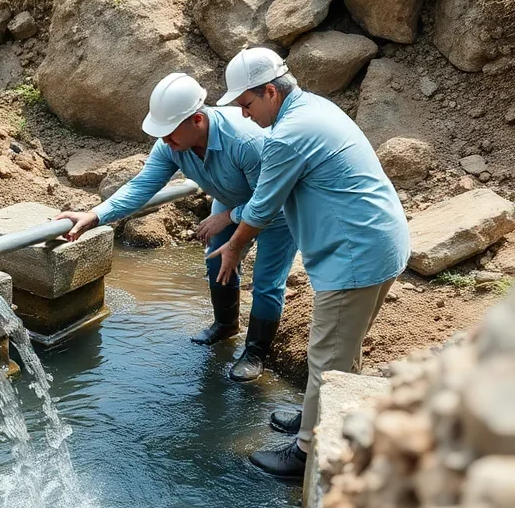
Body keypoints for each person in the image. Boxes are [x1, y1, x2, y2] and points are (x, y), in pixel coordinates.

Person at [211, 47, 410, 479]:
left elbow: (262, 208)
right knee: (342, 349)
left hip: (354, 257)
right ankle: (317, 416)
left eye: (246, 104)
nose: (244, 116)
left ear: (269, 91)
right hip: (379, 241)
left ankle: (305, 454)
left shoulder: (290, 134)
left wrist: (234, 247)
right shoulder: (314, 107)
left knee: (328, 357)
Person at [57, 72, 297, 382]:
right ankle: (225, 325)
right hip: (232, 200)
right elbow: (143, 184)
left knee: (266, 280)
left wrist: (227, 219)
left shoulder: (246, 141)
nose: (165, 141)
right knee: (217, 262)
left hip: (276, 209)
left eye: (170, 133)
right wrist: (95, 214)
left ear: (197, 120)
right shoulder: (171, 145)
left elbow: (268, 200)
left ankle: (255, 352)